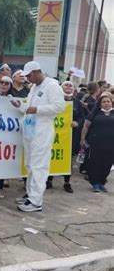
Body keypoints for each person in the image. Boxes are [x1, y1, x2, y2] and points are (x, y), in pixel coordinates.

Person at [12, 61, 65, 212]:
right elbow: (29, 108)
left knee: (39, 166)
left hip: (42, 130)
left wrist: (38, 109)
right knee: (30, 164)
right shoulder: (34, 87)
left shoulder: (52, 86)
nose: (28, 79)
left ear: (37, 72)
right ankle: (30, 195)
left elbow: (59, 107)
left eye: (29, 75)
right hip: (30, 130)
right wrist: (20, 106)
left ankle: (36, 201)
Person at [46, 80, 83, 193]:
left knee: (68, 159)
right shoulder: (55, 100)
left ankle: (67, 182)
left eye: (70, 85)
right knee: (53, 156)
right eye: (66, 85)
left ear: (73, 89)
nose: (68, 86)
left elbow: (82, 117)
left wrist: (77, 123)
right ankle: (49, 180)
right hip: (55, 133)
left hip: (71, 135)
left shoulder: (77, 103)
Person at [80, 92, 114, 192]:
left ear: (111, 102)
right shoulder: (94, 114)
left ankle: (101, 182)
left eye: (108, 101)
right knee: (95, 163)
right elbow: (86, 126)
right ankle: (95, 183)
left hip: (111, 144)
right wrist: (82, 139)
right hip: (95, 143)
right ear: (100, 104)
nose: (106, 103)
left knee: (107, 164)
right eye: (104, 102)